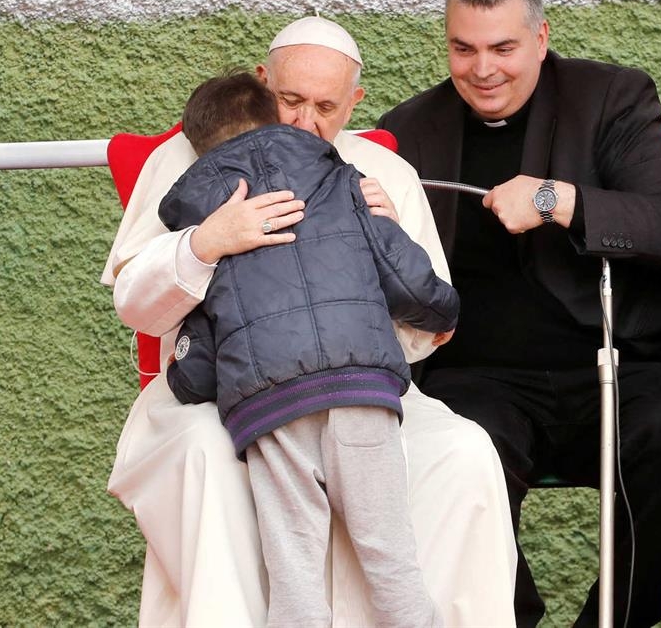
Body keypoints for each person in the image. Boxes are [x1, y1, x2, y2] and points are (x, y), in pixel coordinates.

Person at [102, 15, 518, 627]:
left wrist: (385, 236)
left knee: (464, 450)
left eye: (327, 106)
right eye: (290, 99)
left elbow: (426, 330)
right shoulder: (189, 160)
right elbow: (134, 304)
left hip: (358, 382)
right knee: (206, 457)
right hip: (219, 390)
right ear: (263, 80)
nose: (305, 121)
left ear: (356, 102)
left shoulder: (381, 175)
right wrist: (204, 244)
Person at [379, 0, 661, 628]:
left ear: (541, 38)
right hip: (477, 378)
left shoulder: (612, 98)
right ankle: (512, 615)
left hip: (609, 366)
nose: (483, 68)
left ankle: (616, 617)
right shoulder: (409, 129)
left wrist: (557, 199)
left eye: (503, 47)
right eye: (463, 48)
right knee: (446, 451)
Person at [162, 70, 457, 626]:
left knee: (293, 568)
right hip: (359, 387)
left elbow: (204, 338)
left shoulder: (210, 223)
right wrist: (441, 310)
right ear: (276, 114)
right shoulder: (342, 181)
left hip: (272, 409)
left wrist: (187, 380)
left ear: (196, 146)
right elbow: (400, 269)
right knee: (388, 555)